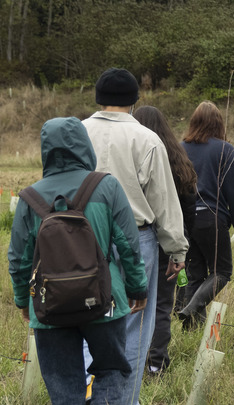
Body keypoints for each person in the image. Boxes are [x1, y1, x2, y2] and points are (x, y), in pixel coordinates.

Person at [9, 117, 149, 404]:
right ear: (84, 145)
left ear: (45, 149)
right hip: (104, 302)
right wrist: (138, 289)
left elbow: (19, 260)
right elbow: (129, 246)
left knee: (63, 385)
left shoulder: (29, 197)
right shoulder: (107, 186)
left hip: (49, 309)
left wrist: (24, 301)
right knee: (112, 372)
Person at [82, 67, 188, 401]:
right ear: (134, 101)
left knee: (86, 315)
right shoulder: (147, 139)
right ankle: (121, 398)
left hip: (82, 237)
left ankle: (86, 389)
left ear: (98, 98)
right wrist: (176, 251)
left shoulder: (78, 132)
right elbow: (164, 202)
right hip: (136, 239)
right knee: (133, 326)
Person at [132, 106, 198, 376]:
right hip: (168, 243)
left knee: (132, 301)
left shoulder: (132, 154)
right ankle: (155, 362)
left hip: (136, 237)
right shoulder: (178, 160)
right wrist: (182, 245)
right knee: (161, 304)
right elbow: (190, 205)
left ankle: (133, 359)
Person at [178, 101, 234, 329]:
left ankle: (190, 329)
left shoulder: (180, 148)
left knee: (196, 275)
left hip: (184, 222)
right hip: (212, 220)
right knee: (222, 272)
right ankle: (189, 309)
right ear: (219, 124)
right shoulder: (225, 150)